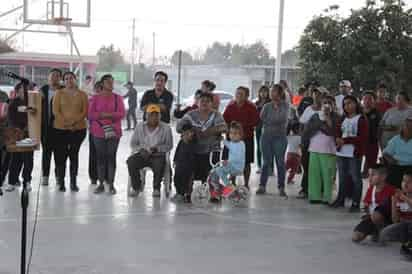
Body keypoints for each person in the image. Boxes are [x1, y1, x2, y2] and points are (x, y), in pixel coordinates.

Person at [176, 92, 227, 184]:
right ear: (198, 102)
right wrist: (191, 130)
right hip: (193, 149)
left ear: (211, 104)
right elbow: (178, 127)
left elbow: (224, 128)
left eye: (207, 101)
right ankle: (185, 191)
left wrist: (210, 130)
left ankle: (213, 192)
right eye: (202, 101)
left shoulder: (216, 115)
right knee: (184, 163)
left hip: (211, 148)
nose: (204, 103)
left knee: (213, 167)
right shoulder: (191, 114)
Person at [89, 74, 125, 195]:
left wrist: (105, 115)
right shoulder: (95, 98)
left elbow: (121, 113)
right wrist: (104, 115)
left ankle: (111, 184)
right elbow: (90, 115)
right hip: (98, 131)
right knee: (100, 158)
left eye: (112, 81)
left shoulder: (117, 98)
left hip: (114, 132)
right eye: (108, 82)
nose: (111, 84)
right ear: (102, 84)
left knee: (111, 157)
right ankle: (100, 184)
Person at [127, 104, 173, 198]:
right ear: (146, 116)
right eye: (151, 115)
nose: (154, 117)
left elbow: (169, 145)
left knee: (159, 164)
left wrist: (158, 149)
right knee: (131, 161)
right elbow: (133, 143)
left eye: (156, 115)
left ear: (160, 116)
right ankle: (136, 187)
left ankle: (156, 188)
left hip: (158, 154)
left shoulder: (166, 128)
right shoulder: (139, 126)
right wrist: (141, 149)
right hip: (143, 153)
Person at [53, 72, 88, 192]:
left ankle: (73, 182)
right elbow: (56, 111)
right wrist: (67, 124)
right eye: (66, 78)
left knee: (74, 156)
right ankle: (61, 182)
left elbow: (84, 111)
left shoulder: (82, 94)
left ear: (75, 79)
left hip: (78, 130)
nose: (69, 80)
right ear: (63, 81)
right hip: (60, 129)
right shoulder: (59, 93)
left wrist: (74, 123)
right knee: (61, 156)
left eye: (71, 78)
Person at [333, 95, 369, 212]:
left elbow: (362, 138)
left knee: (355, 178)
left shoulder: (361, 119)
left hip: (354, 153)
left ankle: (355, 202)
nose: (347, 106)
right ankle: (340, 199)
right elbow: (338, 131)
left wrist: (345, 140)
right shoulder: (343, 118)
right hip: (341, 152)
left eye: (349, 103)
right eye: (345, 104)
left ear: (356, 104)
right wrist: (338, 139)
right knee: (342, 177)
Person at [256, 84, 290, 197]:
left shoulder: (285, 105)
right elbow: (261, 119)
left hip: (280, 137)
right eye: (270, 91)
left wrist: (270, 120)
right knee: (265, 163)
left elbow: (282, 118)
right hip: (266, 137)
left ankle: (281, 187)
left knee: (280, 162)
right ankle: (262, 186)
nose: (271, 93)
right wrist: (273, 120)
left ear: (280, 93)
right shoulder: (267, 106)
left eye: (273, 91)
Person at [223, 86, 259, 188]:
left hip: (246, 138)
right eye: (237, 93)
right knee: (230, 161)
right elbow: (224, 120)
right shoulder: (231, 106)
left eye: (241, 94)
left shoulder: (251, 107)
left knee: (246, 162)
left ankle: (246, 184)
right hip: (231, 137)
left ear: (247, 96)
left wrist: (242, 127)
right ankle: (232, 182)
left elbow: (256, 121)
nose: (238, 96)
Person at [305, 95, 339, 204]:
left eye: (329, 102)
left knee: (328, 174)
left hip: (329, 149)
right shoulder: (315, 116)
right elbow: (307, 130)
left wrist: (328, 117)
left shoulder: (337, 116)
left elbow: (334, 130)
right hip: (314, 147)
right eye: (325, 102)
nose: (327, 105)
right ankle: (314, 196)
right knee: (314, 174)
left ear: (334, 105)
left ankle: (328, 196)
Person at [352, 165, 396, 243]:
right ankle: (376, 231)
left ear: (383, 177)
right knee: (356, 237)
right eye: (369, 175)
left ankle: (382, 232)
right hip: (372, 218)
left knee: (377, 215)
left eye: (373, 175)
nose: (370, 177)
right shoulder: (370, 190)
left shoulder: (392, 190)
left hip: (387, 220)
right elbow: (366, 206)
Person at [5, 83, 35, 192]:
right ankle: (12, 182)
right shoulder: (13, 103)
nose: (27, 90)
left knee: (28, 159)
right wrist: (21, 128)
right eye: (24, 89)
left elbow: (36, 116)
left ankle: (27, 182)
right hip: (16, 134)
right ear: (17, 91)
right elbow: (11, 120)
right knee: (15, 159)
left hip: (29, 134)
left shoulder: (33, 102)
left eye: (29, 89)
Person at [208, 121, 245, 202]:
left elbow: (238, 157)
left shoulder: (241, 144)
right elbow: (229, 145)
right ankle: (219, 187)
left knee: (218, 170)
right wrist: (223, 139)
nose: (232, 135)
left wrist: (228, 161)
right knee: (218, 170)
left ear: (240, 135)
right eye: (231, 133)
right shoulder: (232, 143)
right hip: (232, 165)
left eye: (235, 133)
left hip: (236, 167)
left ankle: (229, 186)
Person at [298, 87, 323, 199]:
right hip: (307, 143)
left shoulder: (327, 109)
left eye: (320, 94)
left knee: (320, 168)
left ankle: (319, 189)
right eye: (315, 94)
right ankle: (305, 189)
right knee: (307, 166)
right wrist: (301, 140)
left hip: (322, 145)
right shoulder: (308, 108)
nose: (317, 96)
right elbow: (302, 123)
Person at [380, 172, 412, 260]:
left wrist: (405, 199)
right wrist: (393, 202)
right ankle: (406, 242)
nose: (405, 184)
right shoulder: (399, 197)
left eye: (409, 182)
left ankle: (408, 245)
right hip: (404, 225)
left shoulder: (403, 197)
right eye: (403, 181)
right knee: (384, 234)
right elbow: (395, 220)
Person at [40, 68, 62, 186]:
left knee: (59, 153)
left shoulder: (63, 90)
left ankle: (59, 177)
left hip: (60, 127)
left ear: (60, 78)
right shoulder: (43, 89)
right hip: (46, 127)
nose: (55, 77)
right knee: (46, 153)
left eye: (57, 76)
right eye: (52, 75)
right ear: (49, 77)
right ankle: (45, 176)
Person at [383, 117, 412, 188]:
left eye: (411, 127)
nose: (409, 128)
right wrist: (391, 160)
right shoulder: (396, 139)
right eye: (407, 126)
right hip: (397, 166)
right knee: (391, 184)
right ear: (403, 127)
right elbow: (386, 153)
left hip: (410, 167)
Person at [171, 123, 196, 203]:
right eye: (185, 133)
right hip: (179, 165)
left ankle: (184, 194)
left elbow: (192, 156)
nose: (187, 135)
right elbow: (177, 151)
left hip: (188, 167)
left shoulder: (193, 143)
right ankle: (179, 193)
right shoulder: (181, 142)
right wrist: (174, 160)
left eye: (189, 133)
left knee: (186, 180)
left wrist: (188, 142)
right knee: (176, 179)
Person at [362, 91, 382, 178]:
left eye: (370, 99)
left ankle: (369, 177)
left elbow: (380, 128)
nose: (367, 101)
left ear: (374, 101)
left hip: (372, 142)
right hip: (359, 141)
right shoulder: (359, 112)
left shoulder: (377, 113)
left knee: (371, 165)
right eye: (365, 98)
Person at [88, 81, 103, 185]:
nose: (98, 91)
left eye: (100, 88)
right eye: (96, 88)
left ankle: (104, 176)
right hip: (94, 130)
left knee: (104, 155)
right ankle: (93, 176)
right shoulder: (91, 100)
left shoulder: (109, 100)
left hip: (106, 131)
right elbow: (88, 115)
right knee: (93, 154)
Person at [254, 85, 271, 173]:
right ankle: (260, 166)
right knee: (259, 147)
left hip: (268, 128)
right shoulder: (256, 103)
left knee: (268, 147)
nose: (263, 93)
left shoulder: (270, 103)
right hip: (258, 127)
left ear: (268, 93)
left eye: (265, 92)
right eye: (261, 92)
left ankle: (269, 167)